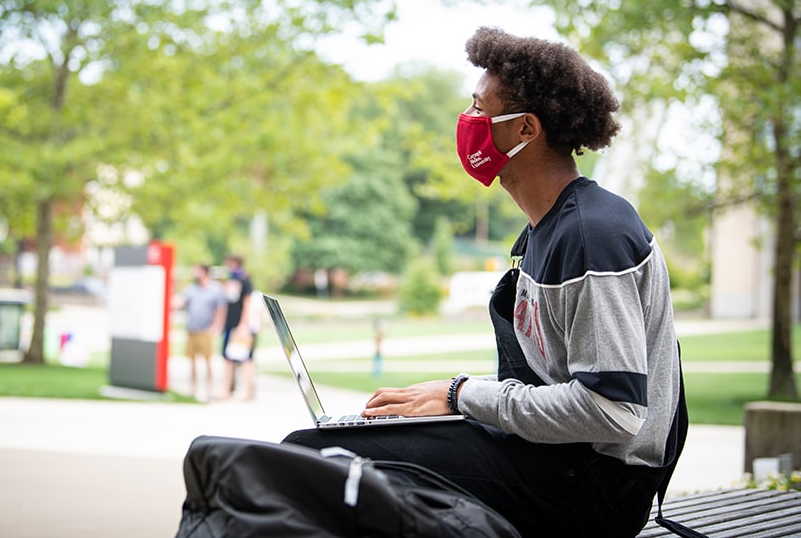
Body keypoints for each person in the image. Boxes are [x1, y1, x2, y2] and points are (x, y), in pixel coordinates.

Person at [283, 27, 685, 537]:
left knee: (312, 456)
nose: (467, 121)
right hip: (559, 463)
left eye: (479, 107)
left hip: (593, 491)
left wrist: (462, 396)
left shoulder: (590, 235)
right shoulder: (548, 230)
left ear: (525, 130)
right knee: (333, 445)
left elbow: (612, 410)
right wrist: (447, 402)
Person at [173, 264, 226, 402]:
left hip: (205, 330)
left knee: (208, 361)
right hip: (192, 329)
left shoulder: (215, 289)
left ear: (205, 272)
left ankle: (210, 389)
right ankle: (193, 388)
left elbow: (220, 309)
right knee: (192, 361)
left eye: (197, 271)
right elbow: (179, 302)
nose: (195, 274)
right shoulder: (191, 289)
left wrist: (216, 326)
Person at [220, 253, 255, 400]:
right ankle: (227, 390)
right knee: (229, 358)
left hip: (240, 326)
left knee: (245, 359)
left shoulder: (245, 280)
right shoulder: (232, 280)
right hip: (230, 324)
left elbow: (247, 303)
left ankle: (248, 392)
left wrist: (243, 324)